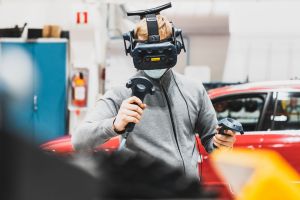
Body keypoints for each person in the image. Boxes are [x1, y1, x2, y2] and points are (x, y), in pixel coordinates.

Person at [72, 15, 236, 179]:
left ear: (175, 47)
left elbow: (211, 142)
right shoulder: (122, 93)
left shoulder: (194, 90)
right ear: (134, 50)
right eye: (147, 52)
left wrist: (221, 143)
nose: (155, 59)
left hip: (186, 192)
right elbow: (79, 140)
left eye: (161, 51)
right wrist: (114, 124)